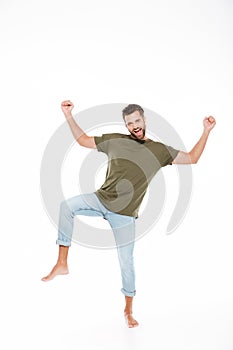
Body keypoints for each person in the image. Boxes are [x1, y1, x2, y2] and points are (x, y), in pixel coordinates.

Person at [42, 100, 216, 328]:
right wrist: (67, 114)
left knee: (126, 261)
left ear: (144, 120)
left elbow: (192, 158)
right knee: (67, 206)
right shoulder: (115, 140)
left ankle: (128, 310)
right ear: (126, 126)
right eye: (129, 122)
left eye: (137, 120)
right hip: (100, 199)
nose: (134, 125)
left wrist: (206, 131)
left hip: (124, 215)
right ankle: (62, 263)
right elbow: (82, 140)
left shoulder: (159, 151)